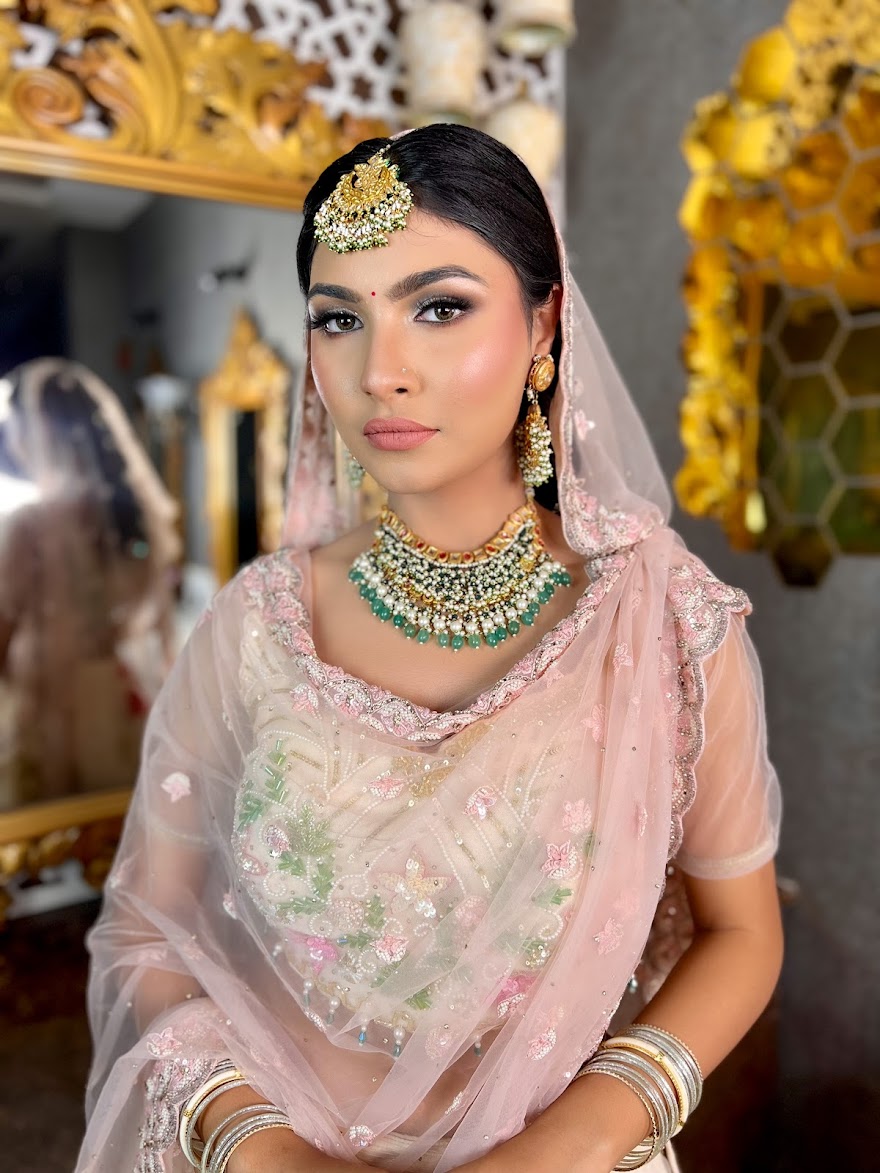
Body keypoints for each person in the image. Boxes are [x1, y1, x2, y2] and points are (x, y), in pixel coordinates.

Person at [76, 126, 782, 1173]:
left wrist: (569, 1146)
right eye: (339, 319)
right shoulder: (256, 627)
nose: (381, 372)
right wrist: (259, 1147)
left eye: (440, 308)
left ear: (543, 325)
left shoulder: (664, 618)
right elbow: (148, 929)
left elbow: (742, 933)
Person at [0, 359, 180, 809]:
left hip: (50, 709)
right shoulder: (138, 516)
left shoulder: (29, 527)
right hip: (119, 693)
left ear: (39, 432)